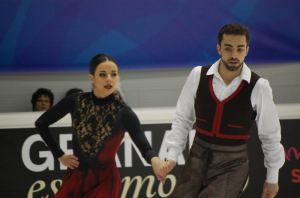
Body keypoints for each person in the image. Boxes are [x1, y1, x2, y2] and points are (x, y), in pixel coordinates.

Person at [163, 23, 284, 198]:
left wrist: (272, 177)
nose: (234, 55)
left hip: (232, 166)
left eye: (239, 49)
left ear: (247, 51)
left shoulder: (259, 86)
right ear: (219, 49)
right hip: (196, 158)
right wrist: (172, 156)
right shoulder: (198, 75)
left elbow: (270, 135)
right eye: (228, 49)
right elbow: (182, 119)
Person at [35, 54, 166, 198]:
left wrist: (155, 160)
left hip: (106, 181)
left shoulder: (124, 112)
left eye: (114, 74)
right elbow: (41, 123)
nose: (109, 79)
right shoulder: (75, 101)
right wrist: (60, 155)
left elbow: (144, 145)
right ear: (92, 78)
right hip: (76, 177)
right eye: (103, 74)